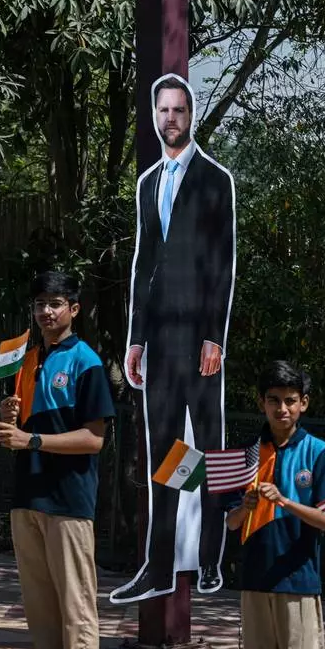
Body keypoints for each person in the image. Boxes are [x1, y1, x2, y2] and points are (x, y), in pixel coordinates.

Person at [113, 72, 237, 602]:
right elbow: (144, 264)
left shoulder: (214, 179)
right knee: (164, 452)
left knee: (208, 448)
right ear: (154, 115)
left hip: (200, 339)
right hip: (160, 341)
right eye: (163, 110)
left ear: (191, 115)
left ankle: (210, 559)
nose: (170, 119)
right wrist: (135, 339)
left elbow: (222, 262)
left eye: (179, 110)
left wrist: (214, 336)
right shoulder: (148, 183)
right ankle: (159, 565)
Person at [0, 270, 115, 649]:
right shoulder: (26, 359)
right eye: (40, 304)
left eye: (55, 303)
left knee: (75, 605)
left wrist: (31, 440)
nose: (46, 311)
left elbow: (94, 439)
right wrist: (10, 420)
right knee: (39, 607)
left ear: (74, 309)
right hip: (26, 497)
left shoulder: (86, 361)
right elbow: (20, 434)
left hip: (68, 500)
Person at [225, 361, 325, 649]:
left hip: (298, 581)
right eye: (274, 400)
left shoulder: (318, 452)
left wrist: (285, 502)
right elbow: (230, 523)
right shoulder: (247, 453)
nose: (282, 409)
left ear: (304, 403)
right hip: (255, 580)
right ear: (262, 402)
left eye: (290, 400)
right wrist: (246, 507)